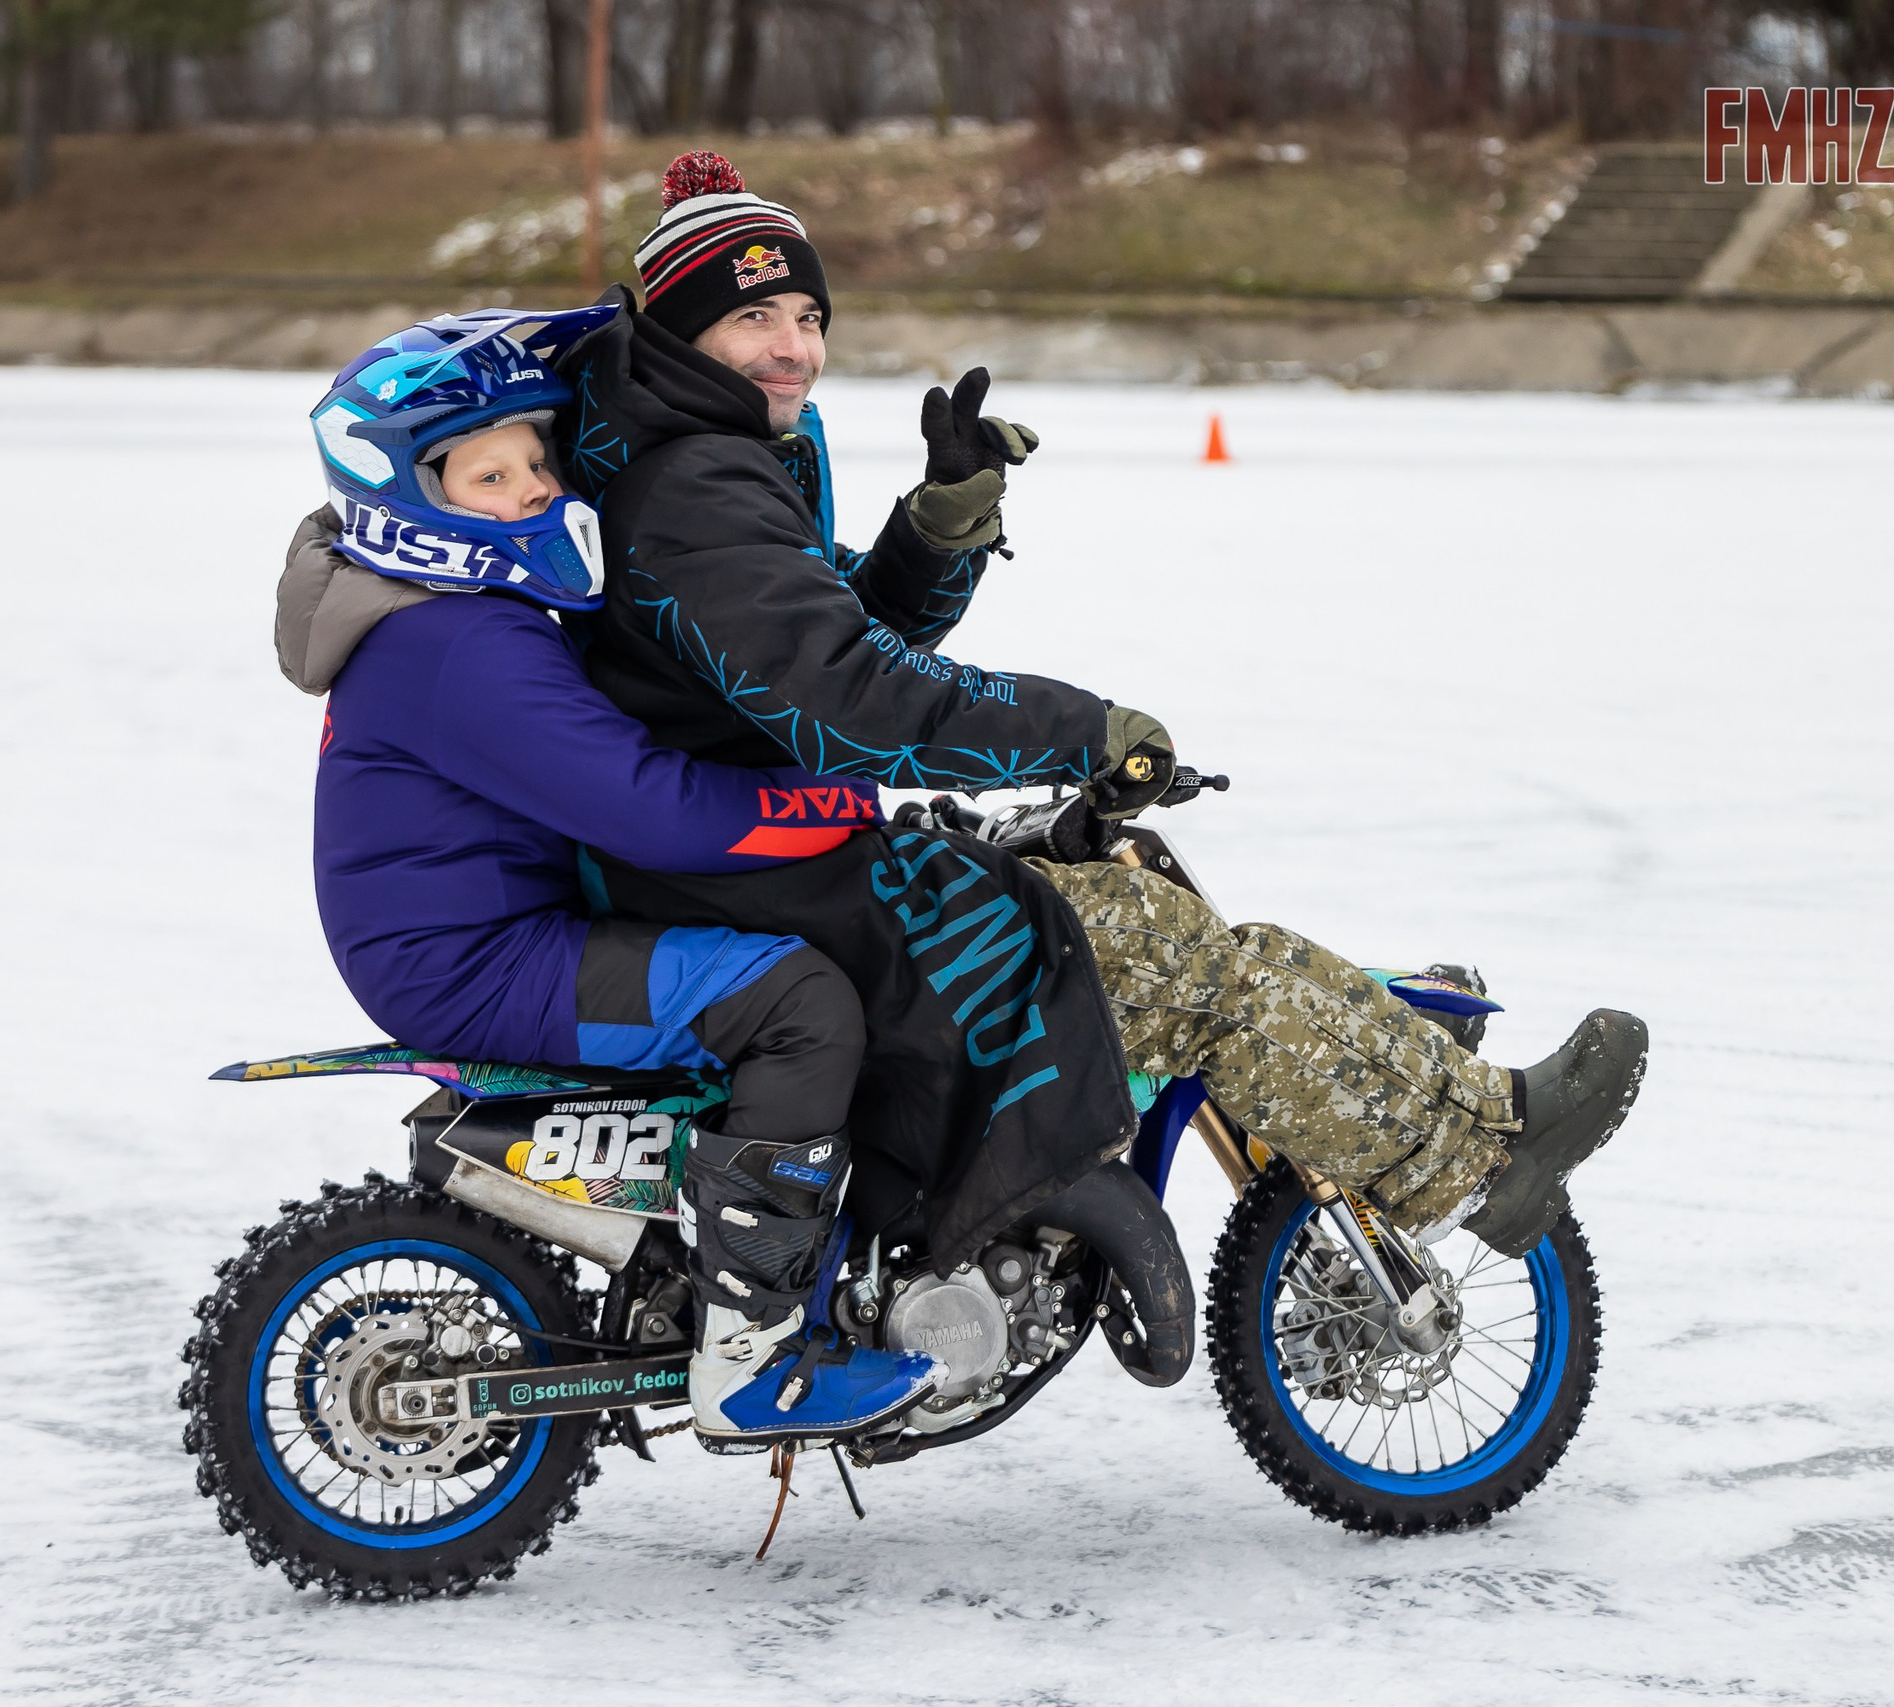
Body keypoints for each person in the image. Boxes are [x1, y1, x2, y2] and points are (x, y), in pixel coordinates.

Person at [548, 151, 1648, 1261]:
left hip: (767, 845)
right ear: (685, 332)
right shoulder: (693, 485)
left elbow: (824, 640)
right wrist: (1080, 730)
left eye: (805, 314)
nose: (792, 347)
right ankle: (1477, 1160)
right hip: (753, 873)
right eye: (753, 321)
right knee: (1165, 957)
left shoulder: (701, 454)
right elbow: (849, 704)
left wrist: (939, 525)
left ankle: (1475, 1114)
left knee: (1172, 924)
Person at [284, 308, 938, 1445]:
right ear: (409, 494)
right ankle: (751, 1360)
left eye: (537, 460)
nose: (535, 489)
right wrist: (834, 801)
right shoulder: (458, 644)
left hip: (493, 924)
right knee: (797, 1006)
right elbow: (654, 808)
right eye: (492, 475)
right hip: (478, 961)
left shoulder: (452, 611)